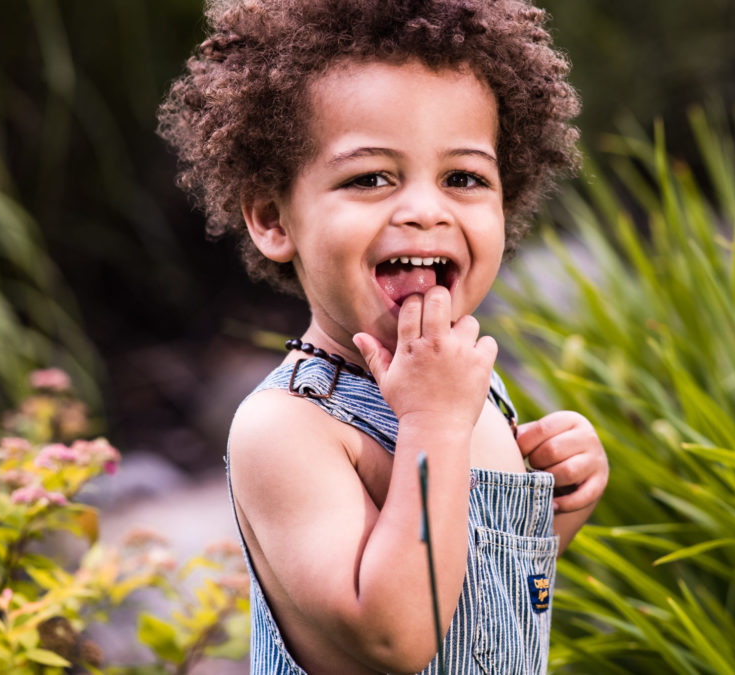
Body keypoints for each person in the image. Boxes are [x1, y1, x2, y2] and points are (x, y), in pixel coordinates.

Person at [157, 0, 608, 673]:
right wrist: (432, 424)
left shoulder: (462, 389)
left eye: (463, 178)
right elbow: (396, 634)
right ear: (272, 218)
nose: (426, 210)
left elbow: (485, 592)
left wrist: (557, 501)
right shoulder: (287, 430)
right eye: (370, 177)